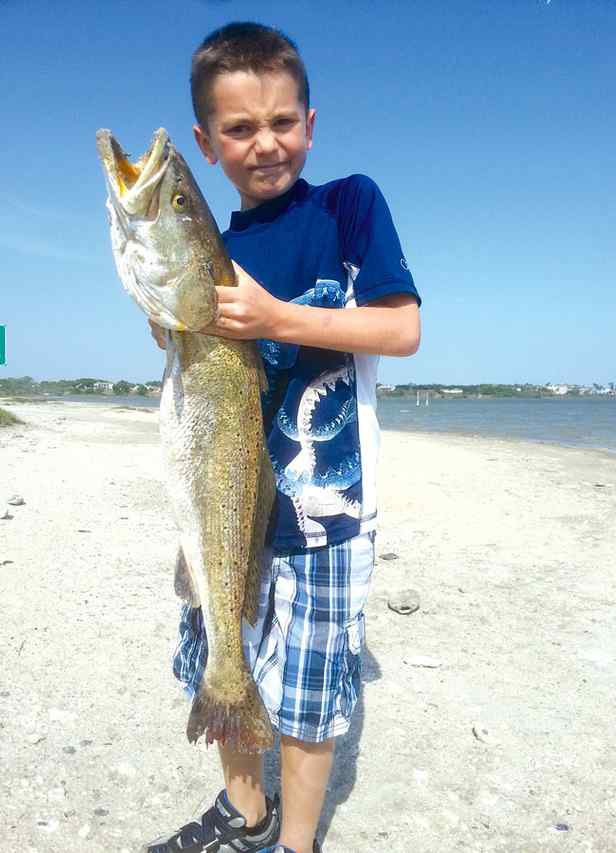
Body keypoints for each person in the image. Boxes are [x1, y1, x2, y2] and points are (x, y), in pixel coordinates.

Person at [146, 21, 421, 853]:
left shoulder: (349, 206)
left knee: (307, 700)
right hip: (225, 512)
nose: (264, 143)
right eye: (239, 128)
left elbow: (402, 329)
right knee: (219, 661)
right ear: (208, 141)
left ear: (310, 121)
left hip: (327, 515)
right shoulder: (214, 252)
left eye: (281, 121)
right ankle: (245, 812)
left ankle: (293, 842)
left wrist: (276, 317)